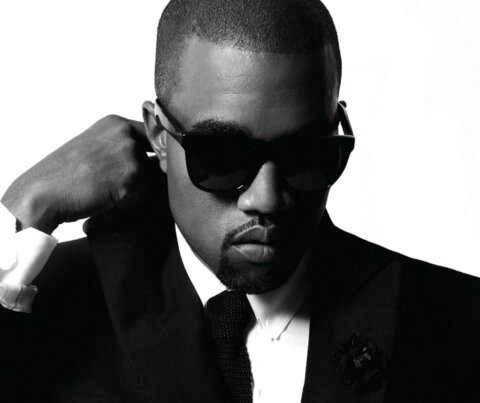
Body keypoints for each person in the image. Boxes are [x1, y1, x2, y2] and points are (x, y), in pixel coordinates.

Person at [1, 0, 479, 402]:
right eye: (222, 157)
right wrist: (22, 208)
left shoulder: (456, 321)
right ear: (159, 135)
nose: (266, 198)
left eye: (306, 155)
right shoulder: (43, 304)